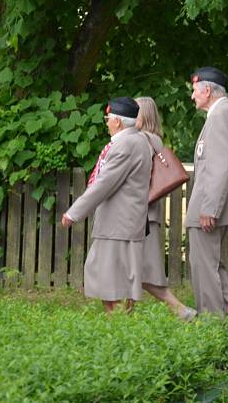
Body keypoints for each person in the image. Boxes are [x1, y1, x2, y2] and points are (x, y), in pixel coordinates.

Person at [61, 97, 152, 313]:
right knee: (113, 280)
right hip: (121, 224)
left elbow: (104, 183)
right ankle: (119, 327)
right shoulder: (136, 140)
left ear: (118, 122)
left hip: (117, 226)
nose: (106, 123)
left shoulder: (125, 145)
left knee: (113, 283)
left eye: (108, 119)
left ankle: (119, 331)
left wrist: (74, 212)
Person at [185, 67, 228, 326]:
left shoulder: (219, 116)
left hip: (209, 205)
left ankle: (212, 326)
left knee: (203, 268)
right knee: (212, 265)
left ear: (207, 90)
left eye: (194, 91)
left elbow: (218, 166)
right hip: (218, 203)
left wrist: (209, 208)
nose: (192, 96)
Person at [134, 96, 197, 321]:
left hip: (142, 215)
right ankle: (123, 317)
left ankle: (181, 310)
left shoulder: (143, 141)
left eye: (135, 112)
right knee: (135, 270)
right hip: (148, 214)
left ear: (144, 115)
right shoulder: (155, 140)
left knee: (143, 271)